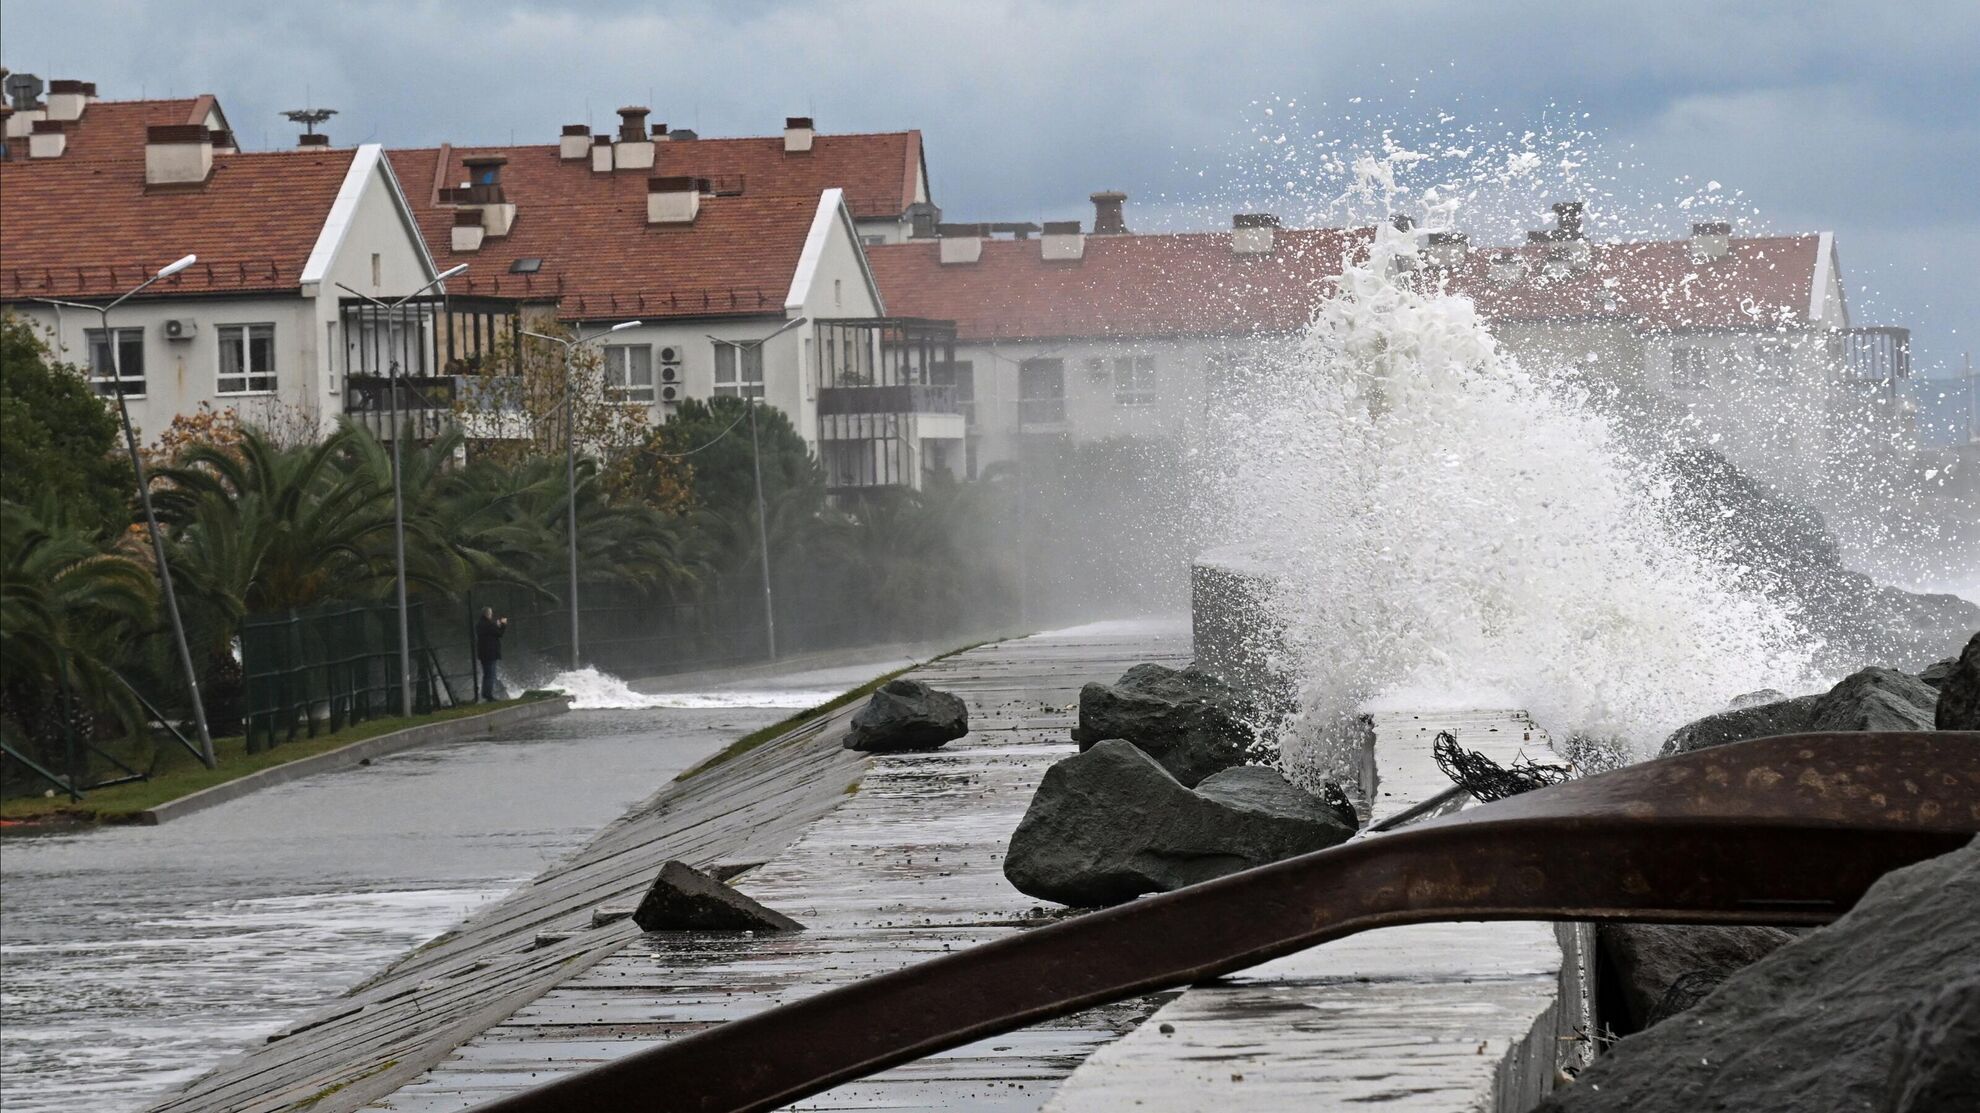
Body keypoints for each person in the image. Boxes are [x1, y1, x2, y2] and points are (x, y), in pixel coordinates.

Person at [475, 607, 508, 702]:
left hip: (483, 653)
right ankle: (488, 695)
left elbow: (492, 632)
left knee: (487, 674)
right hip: (490, 653)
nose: (491, 615)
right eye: (490, 613)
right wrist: (503, 624)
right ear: (487, 614)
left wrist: (496, 625)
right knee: (490, 675)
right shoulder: (488, 624)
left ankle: (485, 694)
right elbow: (499, 633)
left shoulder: (480, 624)